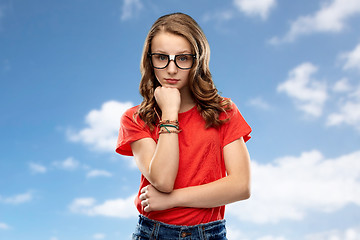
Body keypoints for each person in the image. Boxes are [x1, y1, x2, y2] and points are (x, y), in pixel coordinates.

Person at [116, 12, 252, 240]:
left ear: (197, 60)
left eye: (183, 58)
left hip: (210, 233)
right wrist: (169, 112)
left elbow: (241, 186)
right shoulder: (135, 118)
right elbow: (163, 180)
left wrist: (172, 200)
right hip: (153, 233)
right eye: (161, 57)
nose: (171, 69)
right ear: (149, 60)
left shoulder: (223, 111)